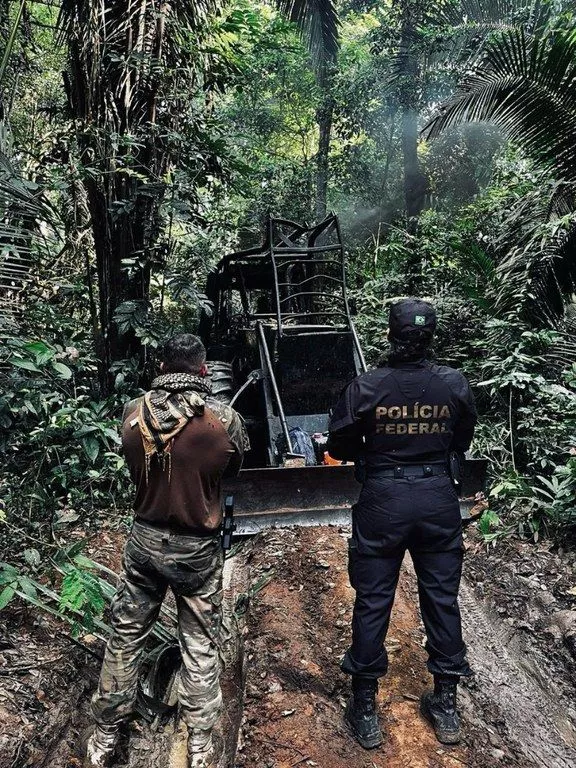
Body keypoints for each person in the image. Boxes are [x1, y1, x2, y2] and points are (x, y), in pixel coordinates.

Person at [85, 334, 248, 768]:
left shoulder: (133, 411)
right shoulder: (223, 418)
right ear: (202, 370)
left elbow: (132, 463)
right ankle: (198, 747)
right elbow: (232, 467)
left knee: (125, 636)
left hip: (144, 540)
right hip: (196, 549)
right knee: (199, 642)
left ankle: (102, 737)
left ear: (160, 367)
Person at [327, 298, 477, 750]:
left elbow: (340, 441)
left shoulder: (367, 387)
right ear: (432, 336)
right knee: (441, 598)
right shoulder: (453, 383)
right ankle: (446, 704)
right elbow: (463, 437)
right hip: (437, 498)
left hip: (384, 500)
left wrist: (374, 453)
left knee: (373, 599)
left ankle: (366, 706)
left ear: (390, 334)